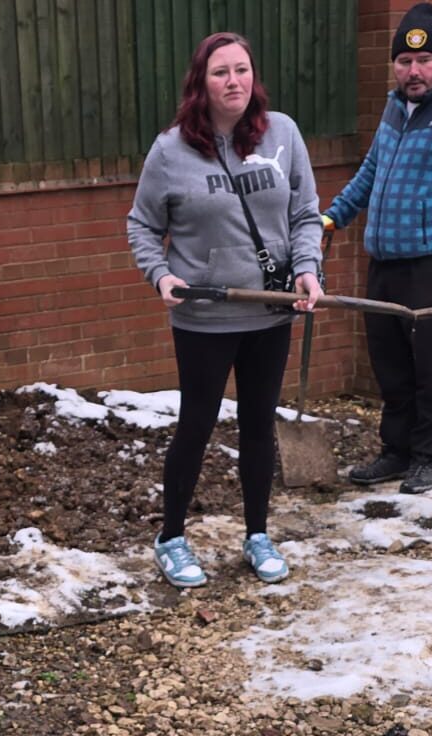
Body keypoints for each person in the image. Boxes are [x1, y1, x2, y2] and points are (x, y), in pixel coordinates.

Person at [127, 31, 323, 588]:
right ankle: (171, 537)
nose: (233, 81)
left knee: (259, 424)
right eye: (220, 72)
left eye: (242, 70)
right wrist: (161, 274)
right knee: (197, 424)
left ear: (253, 77)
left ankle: (257, 534)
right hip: (206, 316)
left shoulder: (282, 133)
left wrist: (308, 269)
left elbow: (306, 213)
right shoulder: (172, 151)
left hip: (271, 308)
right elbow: (142, 224)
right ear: (201, 83)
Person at [322, 3, 432, 495]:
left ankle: (429, 457)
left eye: (423, 61)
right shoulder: (394, 106)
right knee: (391, 365)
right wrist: (334, 214)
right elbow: (371, 171)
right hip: (386, 258)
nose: (413, 71)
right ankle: (396, 451)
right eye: (404, 61)